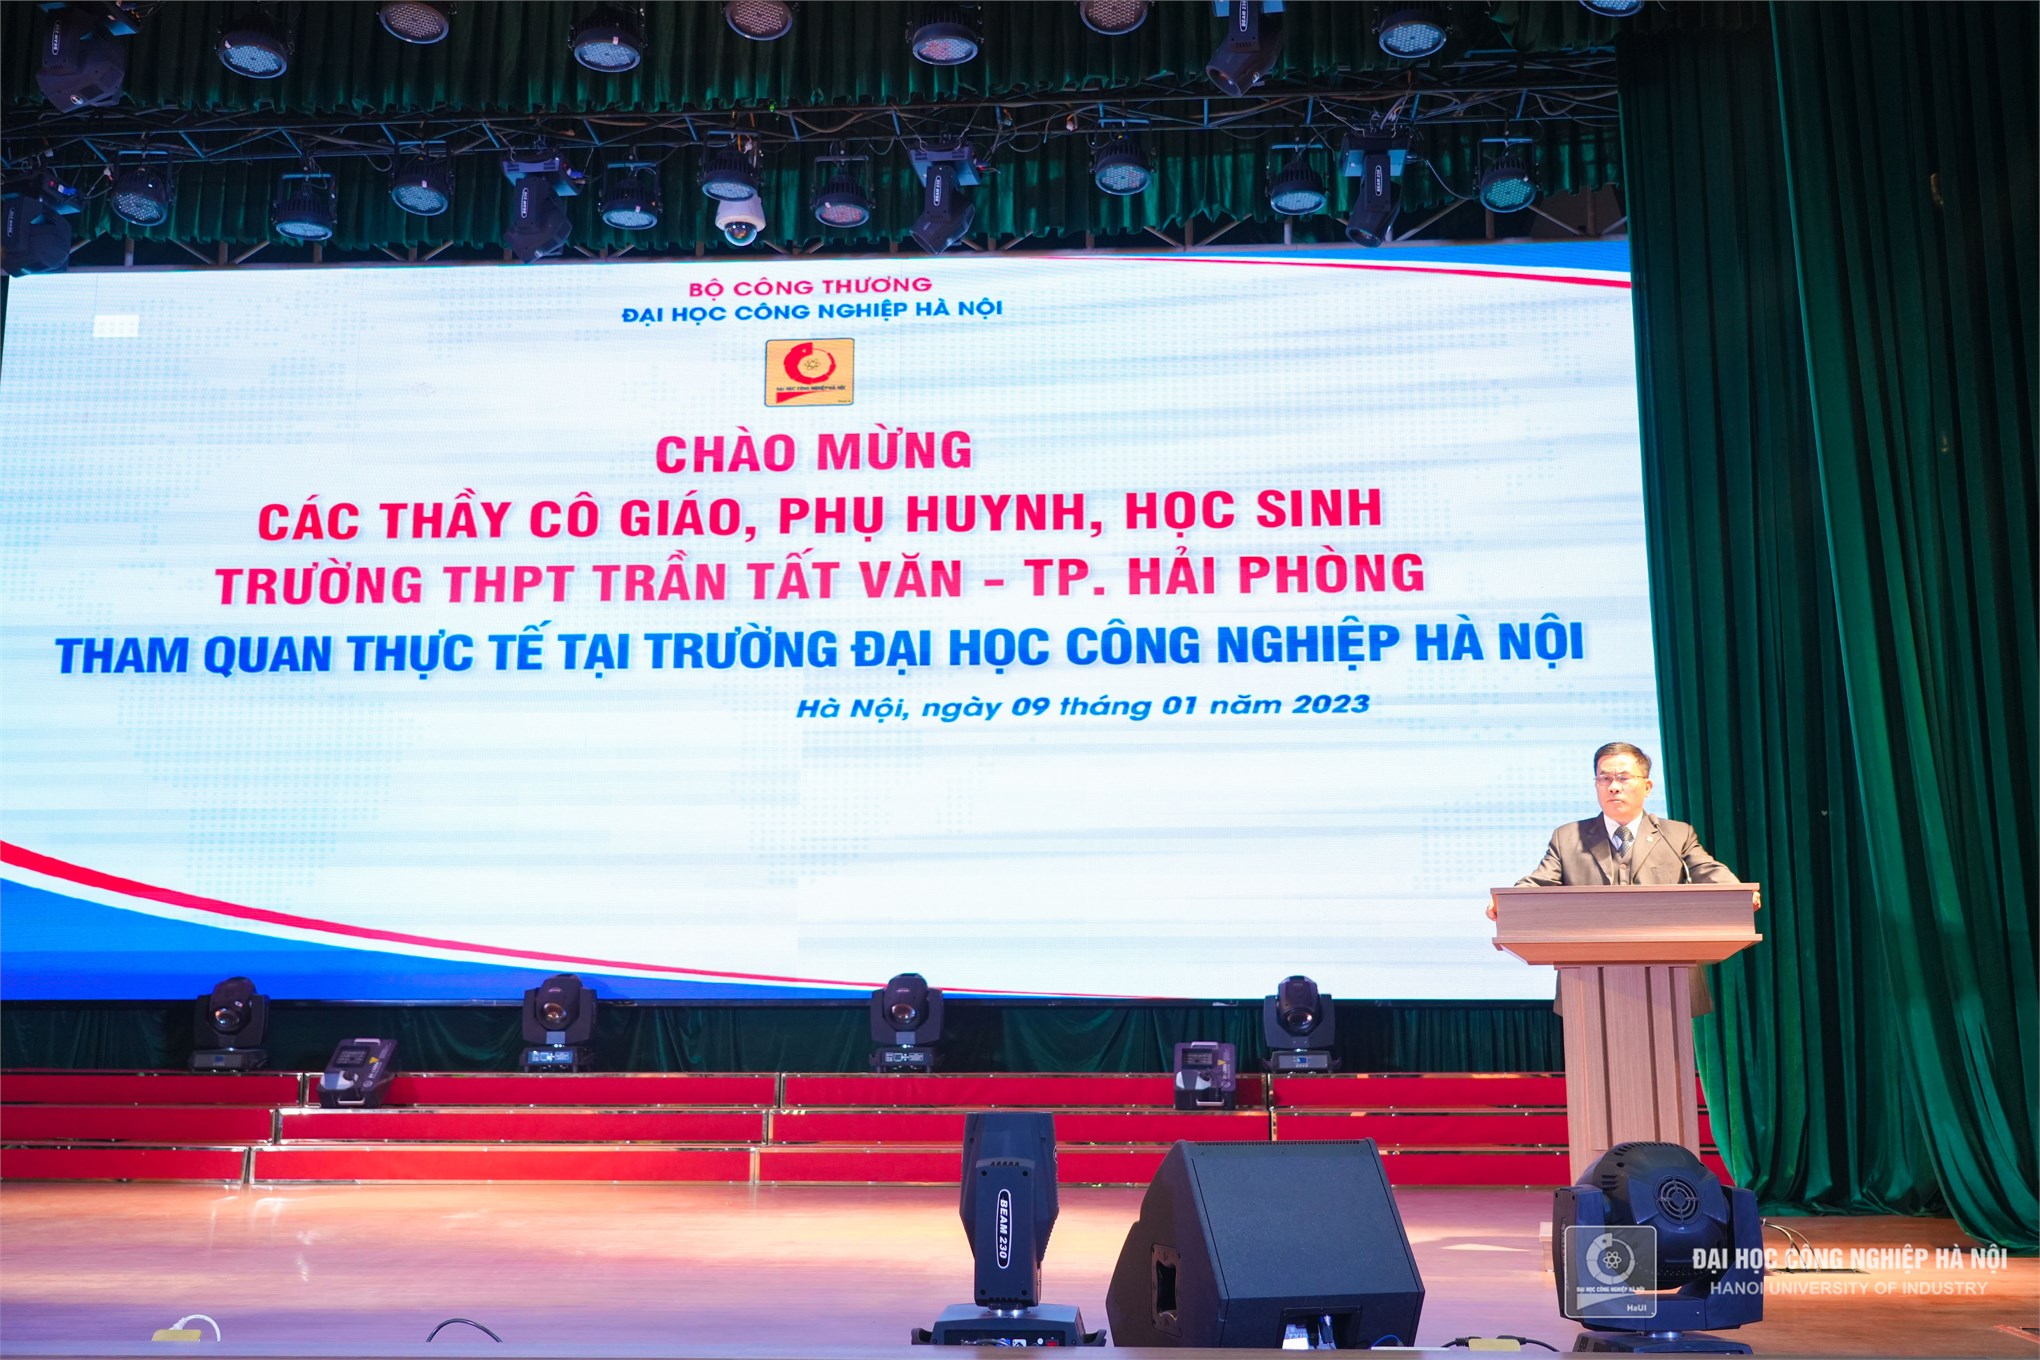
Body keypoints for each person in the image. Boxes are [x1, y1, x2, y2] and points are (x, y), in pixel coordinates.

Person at [1494, 741, 1752, 1017]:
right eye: (1604, 778)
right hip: (1588, 981)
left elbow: (1708, 871)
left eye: (1623, 778)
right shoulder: (1567, 837)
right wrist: (1507, 904)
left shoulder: (1676, 835)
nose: (1613, 786)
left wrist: (1738, 894)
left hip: (1668, 982)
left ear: (1647, 786)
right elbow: (1538, 882)